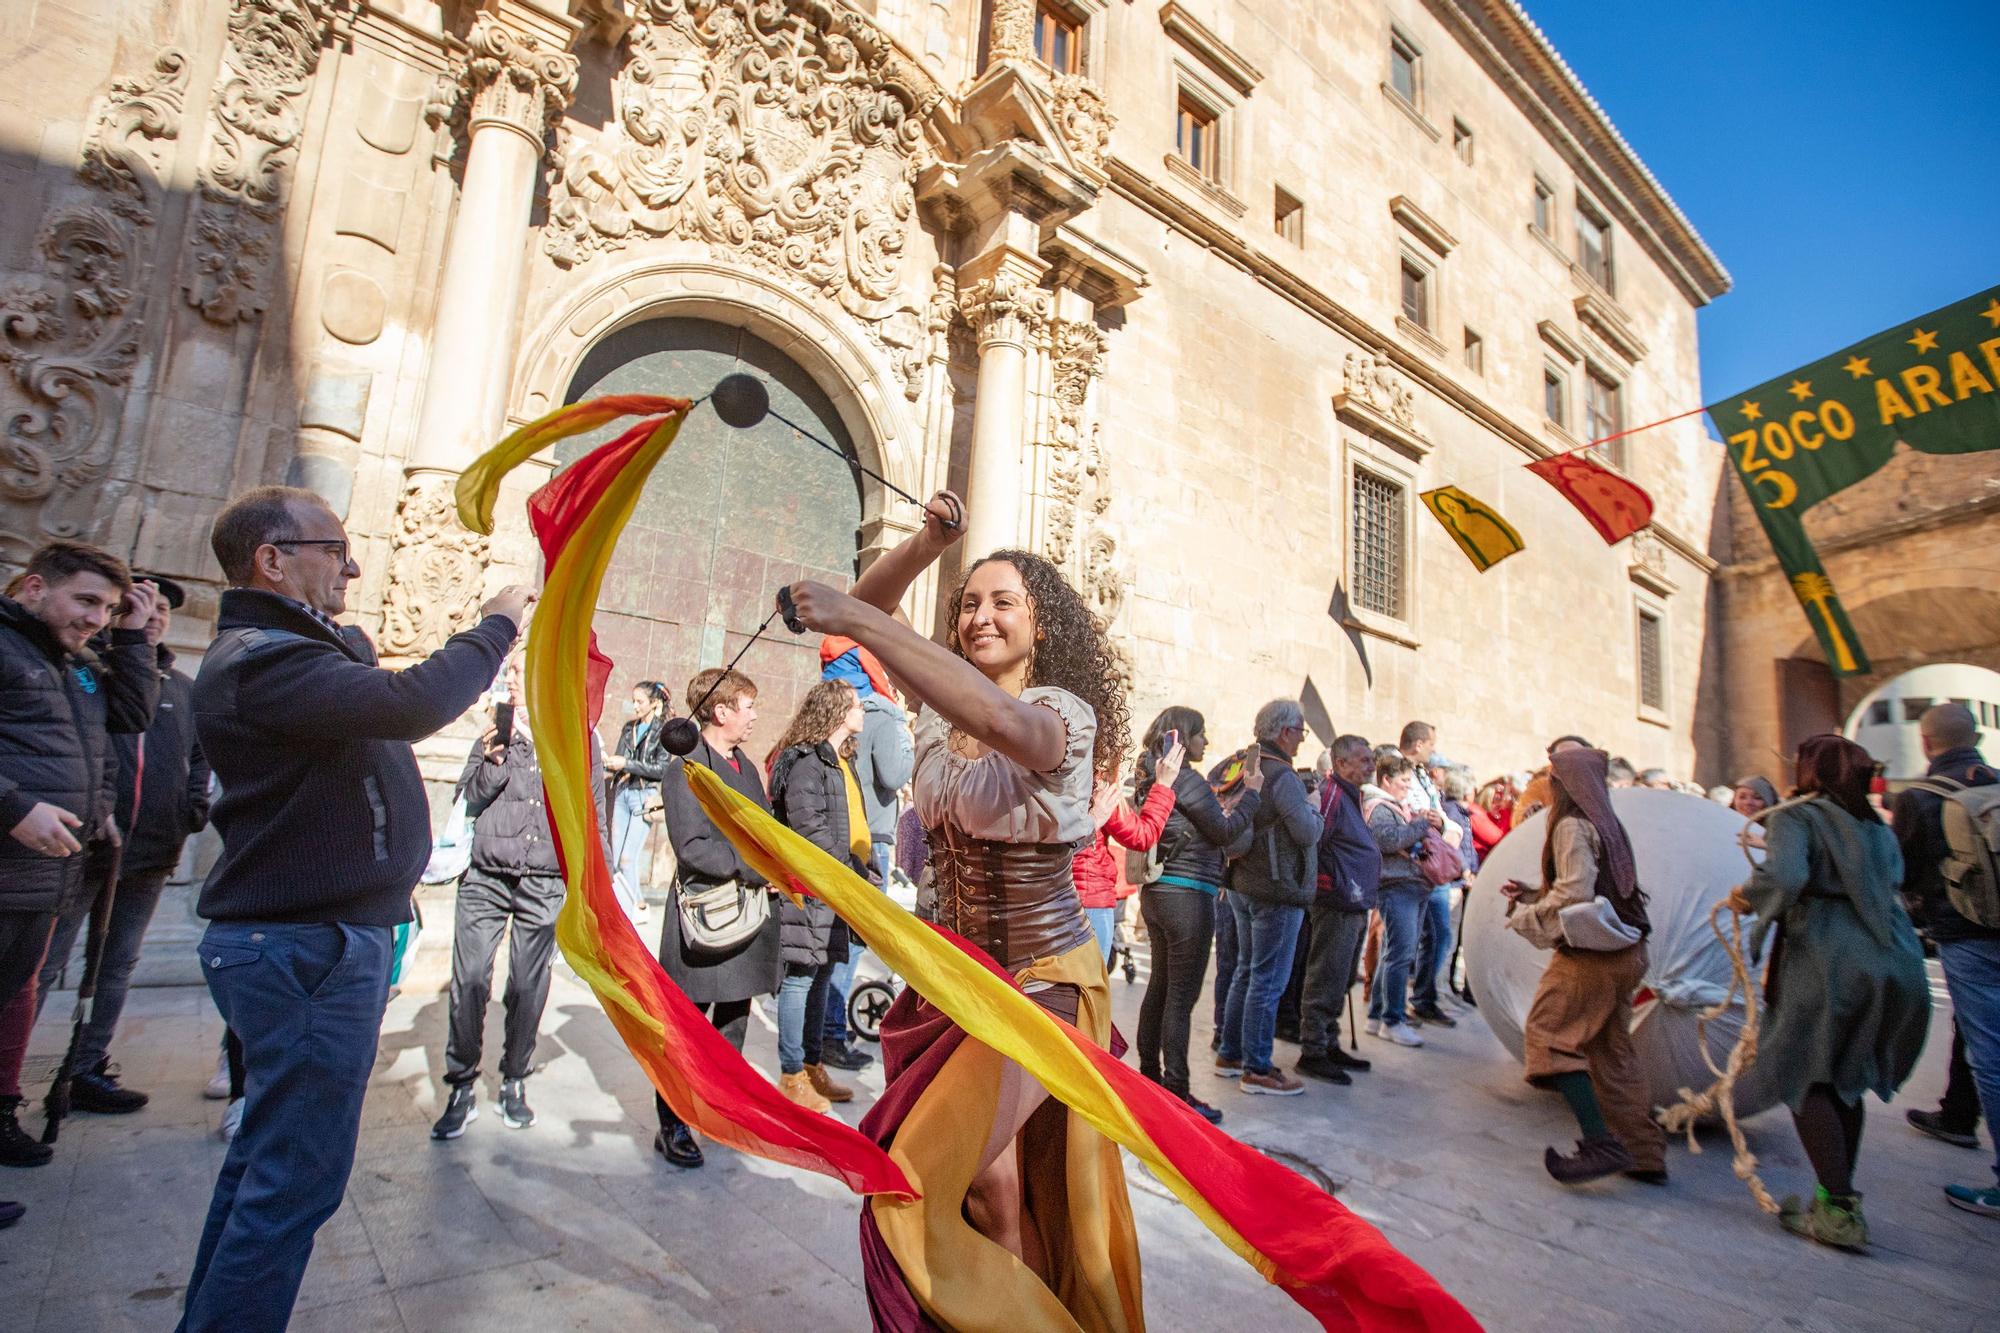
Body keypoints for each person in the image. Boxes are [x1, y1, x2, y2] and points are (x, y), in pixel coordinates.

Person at [782, 490, 1144, 1325]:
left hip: (1041, 980)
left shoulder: (1061, 714)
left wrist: (878, 628)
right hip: (953, 982)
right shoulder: (941, 720)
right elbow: (860, 618)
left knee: (939, 1171)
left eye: (1003, 602)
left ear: (1042, 624)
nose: (982, 615)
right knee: (1000, 1190)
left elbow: (1005, 721)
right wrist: (925, 542)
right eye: (968, 603)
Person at [181, 485, 525, 1331]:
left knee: (272, 1165)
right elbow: (409, 706)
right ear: (273, 558)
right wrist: (496, 625)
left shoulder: (298, 651)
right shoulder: (264, 659)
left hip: (323, 940)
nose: (355, 563)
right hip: (306, 947)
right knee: (294, 1180)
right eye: (334, 548)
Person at [0, 543, 158, 1227]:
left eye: (109, 608)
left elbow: (127, 719)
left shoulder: (76, 665)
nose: (97, 618)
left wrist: (134, 640)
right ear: (36, 587)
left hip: (46, 872)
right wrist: (14, 809)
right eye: (86, 602)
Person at [1727, 734, 1929, 1248]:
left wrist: (1748, 898)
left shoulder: (1797, 817)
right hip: (1892, 955)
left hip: (1828, 955)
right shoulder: (1873, 825)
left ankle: (1838, 1212)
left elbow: (1788, 874)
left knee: (1804, 1070)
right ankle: (1835, 1198)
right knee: (1847, 1077)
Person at [30, 574, 207, 1116]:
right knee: (43, 961)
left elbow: (198, 756)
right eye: (141, 605)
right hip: (79, 847)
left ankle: (86, 1066)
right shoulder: (86, 674)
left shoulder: (179, 686)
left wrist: (190, 808)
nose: (154, 615)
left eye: (163, 609)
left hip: (151, 847)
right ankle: (7, 1075)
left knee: (117, 962)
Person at [432, 656, 603, 1139]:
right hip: (485, 877)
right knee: (468, 980)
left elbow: (594, 817)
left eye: (519, 674)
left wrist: (596, 888)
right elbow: (469, 799)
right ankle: (462, 1084)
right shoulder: (493, 735)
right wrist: (494, 760)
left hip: (544, 881)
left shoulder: (579, 739)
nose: (510, 682)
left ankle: (513, 1077)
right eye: (507, 675)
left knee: (528, 986)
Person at [1500, 746, 1664, 1186]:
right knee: (1612, 1052)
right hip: (1628, 951)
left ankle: (1600, 1143)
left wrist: (1526, 916)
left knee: (1550, 1036)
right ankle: (1643, 1152)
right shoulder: (1605, 821)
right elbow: (1598, 884)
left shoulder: (1571, 824)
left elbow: (1575, 894)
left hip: (1591, 958)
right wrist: (1537, 891)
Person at [654, 666, 781, 1169]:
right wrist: (755, 869)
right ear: (721, 710)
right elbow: (693, 847)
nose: (754, 715)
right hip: (706, 919)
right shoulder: (685, 767)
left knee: (732, 1025)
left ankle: (719, 1114)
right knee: (688, 1031)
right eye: (747, 706)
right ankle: (673, 1123)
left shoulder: (744, 766)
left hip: (747, 919)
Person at [1892, 703, 2000, 1220]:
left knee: (1991, 1052)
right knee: (1976, 1032)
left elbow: (1902, 871)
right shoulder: (1997, 784)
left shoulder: (1920, 797)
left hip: (1965, 934)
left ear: (1926, 742)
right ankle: (1958, 1114)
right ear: (1976, 736)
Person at [1133, 706, 1260, 1124]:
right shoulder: (1184, 777)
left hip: (1160, 893)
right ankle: (1177, 1093)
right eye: (1202, 734)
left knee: (1161, 989)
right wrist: (1252, 794)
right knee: (1179, 999)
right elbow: (1223, 832)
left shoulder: (1154, 772)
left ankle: (1149, 1080)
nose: (1207, 742)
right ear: (1184, 737)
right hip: (1188, 894)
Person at [766, 679, 874, 1111]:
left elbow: (850, 823)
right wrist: (844, 874)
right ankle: (791, 1074)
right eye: (856, 704)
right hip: (811, 886)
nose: (862, 710)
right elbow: (808, 827)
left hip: (836, 886)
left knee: (823, 973)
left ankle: (811, 1066)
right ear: (835, 710)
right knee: (800, 978)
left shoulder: (838, 762)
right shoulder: (808, 762)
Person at [1216, 700, 1319, 1096]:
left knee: (1246, 970)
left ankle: (1231, 1052)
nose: (1301, 740)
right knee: (1267, 979)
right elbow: (1306, 833)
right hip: (1276, 888)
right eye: (1300, 732)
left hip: (1242, 882)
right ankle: (1257, 1067)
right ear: (1284, 732)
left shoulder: (1243, 765)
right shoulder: (1285, 777)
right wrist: (1316, 810)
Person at [818, 636, 909, 1072]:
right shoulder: (881, 712)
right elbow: (894, 773)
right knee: (852, 942)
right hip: (870, 839)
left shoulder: (827, 705)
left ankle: (822, 1026)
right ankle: (832, 1031)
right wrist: (906, 736)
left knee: (832, 938)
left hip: (835, 835)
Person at [1296, 734, 1379, 1084]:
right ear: (1341, 763)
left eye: (1370, 758)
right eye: (1362, 759)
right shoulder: (1331, 794)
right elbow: (1316, 837)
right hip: (1336, 900)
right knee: (1326, 974)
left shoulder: (1351, 795)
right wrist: (1327, 881)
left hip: (1352, 900)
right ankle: (1313, 1049)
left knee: (1341, 976)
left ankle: (1328, 1041)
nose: (1370, 765)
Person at [1362, 755, 1439, 1048]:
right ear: (1386, 780)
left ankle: (1377, 1015)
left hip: (1408, 886)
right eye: (1404, 781)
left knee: (1393, 954)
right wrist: (1420, 825)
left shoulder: (1393, 806)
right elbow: (1388, 840)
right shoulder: (1380, 807)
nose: (1408, 787)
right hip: (1397, 887)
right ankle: (1393, 1020)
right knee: (1400, 955)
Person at [1076, 745, 1179, 964]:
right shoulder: (1097, 787)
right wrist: (1163, 785)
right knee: (1090, 990)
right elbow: (1142, 836)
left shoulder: (1037, 773)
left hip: (1047, 895)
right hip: (1089, 896)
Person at [1413, 766, 1479, 1022]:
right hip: (1446, 881)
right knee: (1440, 939)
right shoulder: (1451, 809)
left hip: (1451, 881)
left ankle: (1435, 993)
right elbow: (1451, 844)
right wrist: (1463, 870)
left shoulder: (1454, 812)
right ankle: (1429, 994)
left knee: (1444, 940)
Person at [606, 680, 671, 922]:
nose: (635, 706)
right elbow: (620, 757)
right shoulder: (629, 728)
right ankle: (632, 906)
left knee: (627, 858)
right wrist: (610, 761)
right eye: (633, 701)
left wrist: (627, 764)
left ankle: (637, 906)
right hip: (623, 793)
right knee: (614, 858)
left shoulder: (662, 731)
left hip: (643, 798)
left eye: (640, 702)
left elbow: (662, 769)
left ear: (654, 703)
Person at [1512, 734, 1591, 824]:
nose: (1569, 762)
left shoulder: (1600, 787)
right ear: (1552, 764)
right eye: (1562, 758)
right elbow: (1517, 820)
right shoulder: (1540, 787)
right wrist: (1529, 814)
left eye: (1576, 756)